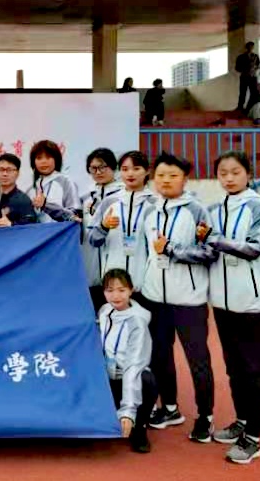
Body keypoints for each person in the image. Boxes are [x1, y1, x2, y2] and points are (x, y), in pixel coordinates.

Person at [206, 151, 260, 465]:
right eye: (223, 173)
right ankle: (242, 421)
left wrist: (214, 240)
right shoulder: (213, 209)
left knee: (256, 372)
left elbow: (253, 248)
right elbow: (207, 250)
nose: (229, 178)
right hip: (222, 303)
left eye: (235, 172)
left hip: (255, 304)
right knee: (235, 369)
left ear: (248, 173)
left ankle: (254, 438)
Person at [141, 152, 218, 443]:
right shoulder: (150, 210)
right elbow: (146, 253)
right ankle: (170, 408)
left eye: (173, 175)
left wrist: (172, 249)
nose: (165, 180)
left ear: (185, 178)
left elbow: (210, 252)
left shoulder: (197, 210)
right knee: (160, 356)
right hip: (154, 297)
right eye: (160, 175)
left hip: (188, 300)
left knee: (198, 359)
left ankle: (205, 417)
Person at [89, 151, 156, 309]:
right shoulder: (109, 202)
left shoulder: (155, 203)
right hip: (113, 285)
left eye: (136, 168)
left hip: (144, 284)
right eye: (125, 169)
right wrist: (104, 227)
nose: (130, 174)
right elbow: (93, 240)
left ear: (147, 171)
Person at [99, 269, 156, 454]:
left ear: (131, 290)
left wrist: (128, 411)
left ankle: (139, 429)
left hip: (129, 377)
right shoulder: (104, 311)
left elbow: (133, 368)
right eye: (110, 290)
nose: (115, 296)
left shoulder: (138, 322)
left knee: (147, 381)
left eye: (121, 290)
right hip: (106, 377)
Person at [81, 149, 124, 312]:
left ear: (113, 168)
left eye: (103, 167)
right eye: (93, 168)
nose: (98, 172)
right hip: (90, 267)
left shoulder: (124, 195)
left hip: (115, 266)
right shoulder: (86, 198)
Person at [26, 140, 81, 223]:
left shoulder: (66, 182)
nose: (43, 161)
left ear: (56, 159)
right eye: (39, 158)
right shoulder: (31, 190)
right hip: (37, 235)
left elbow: (75, 215)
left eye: (48, 157)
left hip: (61, 234)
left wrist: (46, 205)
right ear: (33, 162)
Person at [0, 153, 36, 228]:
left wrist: (11, 224)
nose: (5, 174)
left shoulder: (23, 200)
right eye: (1, 169)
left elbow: (31, 225)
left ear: (17, 173)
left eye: (9, 170)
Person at [235, 42, 260, 113]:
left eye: (252, 47)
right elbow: (237, 68)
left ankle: (250, 107)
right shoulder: (240, 57)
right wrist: (246, 69)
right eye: (249, 47)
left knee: (254, 93)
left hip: (253, 77)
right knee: (242, 92)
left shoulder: (255, 56)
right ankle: (240, 107)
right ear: (246, 47)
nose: (251, 48)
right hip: (244, 76)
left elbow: (258, 66)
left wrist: (254, 68)